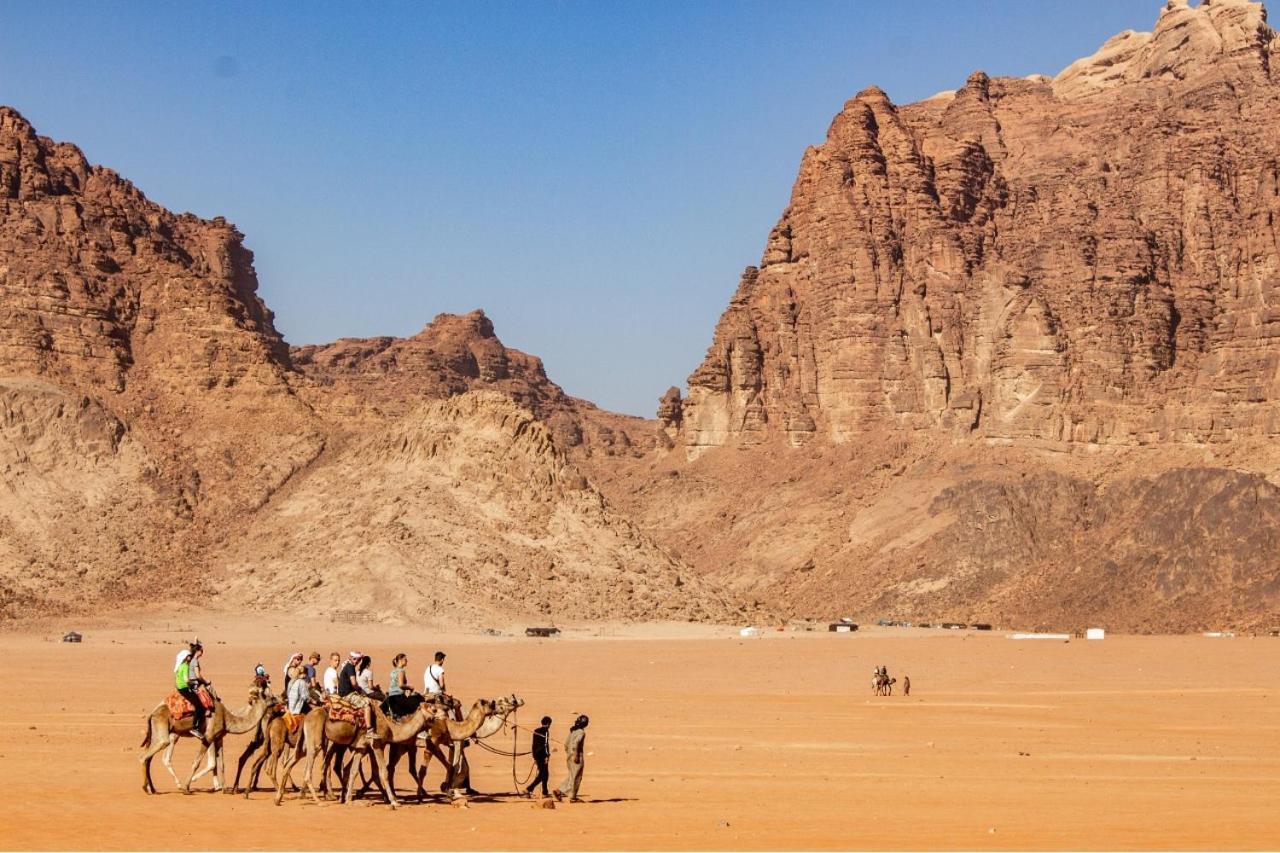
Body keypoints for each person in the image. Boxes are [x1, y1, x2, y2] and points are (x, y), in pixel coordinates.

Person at [337, 651, 378, 738]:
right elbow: (354, 683)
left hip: (345, 693)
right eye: (355, 659)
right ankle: (369, 729)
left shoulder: (347, 666)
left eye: (358, 660)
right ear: (350, 658)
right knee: (367, 704)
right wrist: (360, 690)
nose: (356, 661)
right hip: (347, 695)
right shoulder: (350, 667)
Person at [174, 645, 207, 742]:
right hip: (184, 688)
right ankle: (195, 727)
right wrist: (195, 683)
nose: (190, 657)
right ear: (185, 658)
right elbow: (186, 680)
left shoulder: (180, 666)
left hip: (180, 687)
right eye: (188, 656)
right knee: (199, 706)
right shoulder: (185, 666)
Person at [554, 714, 588, 802]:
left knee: (572, 775)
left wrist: (569, 753)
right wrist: (576, 755)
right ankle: (572, 797)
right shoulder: (581, 732)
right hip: (576, 756)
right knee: (577, 776)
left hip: (569, 755)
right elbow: (576, 743)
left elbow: (566, 744)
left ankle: (560, 790)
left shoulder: (573, 731)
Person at [424, 651, 462, 721]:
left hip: (426, 695)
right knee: (457, 703)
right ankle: (460, 724)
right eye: (443, 660)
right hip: (436, 696)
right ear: (442, 660)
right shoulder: (440, 669)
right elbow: (441, 685)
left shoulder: (428, 668)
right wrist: (445, 691)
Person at [524, 716, 553, 798]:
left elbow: (534, 745)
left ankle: (545, 791)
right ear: (548, 724)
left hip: (536, 755)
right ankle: (529, 789)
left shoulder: (536, 731)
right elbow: (545, 745)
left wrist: (534, 756)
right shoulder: (546, 731)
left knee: (545, 774)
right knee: (542, 775)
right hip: (542, 755)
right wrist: (547, 755)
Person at [386, 653, 418, 718]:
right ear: (400, 660)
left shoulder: (393, 671)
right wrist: (410, 687)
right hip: (398, 697)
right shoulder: (401, 671)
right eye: (405, 659)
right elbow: (400, 685)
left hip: (391, 697)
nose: (407, 661)